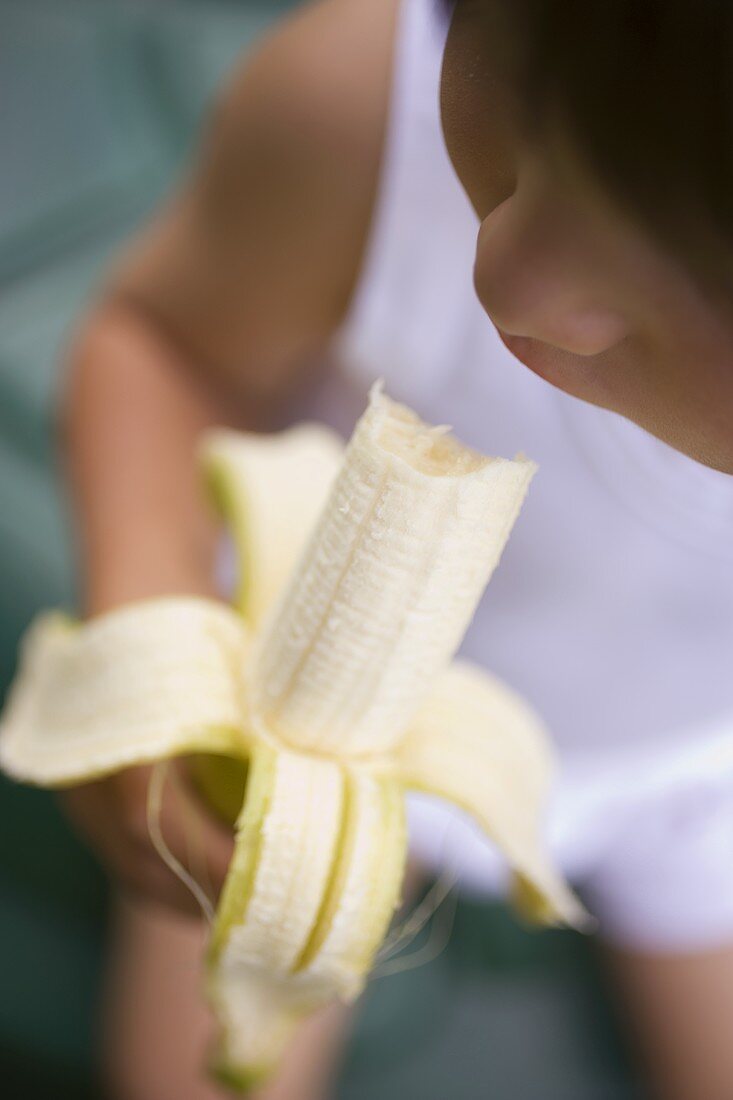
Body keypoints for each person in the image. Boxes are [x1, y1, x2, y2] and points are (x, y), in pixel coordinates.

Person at [60, 0, 733, 1097]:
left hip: (700, 775)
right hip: (296, 707)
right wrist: (147, 614)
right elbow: (161, 342)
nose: (507, 278)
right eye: (516, 85)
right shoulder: (363, 104)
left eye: (705, 265)